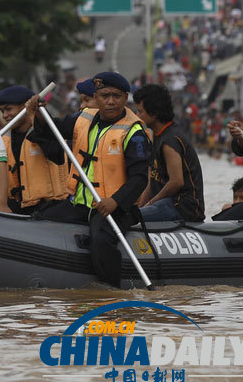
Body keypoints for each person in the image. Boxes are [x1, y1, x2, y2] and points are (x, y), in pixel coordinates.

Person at [26, 72, 151, 287]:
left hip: (116, 207)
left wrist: (115, 201)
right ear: (96, 97)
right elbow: (51, 129)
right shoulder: (82, 119)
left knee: (101, 239)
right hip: (81, 203)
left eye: (116, 96)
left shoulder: (134, 132)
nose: (111, 101)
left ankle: (110, 290)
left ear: (125, 97)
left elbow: (139, 179)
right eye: (104, 96)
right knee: (42, 218)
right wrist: (38, 113)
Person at [132, 84, 204, 222]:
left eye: (140, 112)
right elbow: (152, 179)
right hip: (164, 203)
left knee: (130, 219)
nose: (137, 116)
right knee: (130, 214)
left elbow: (176, 182)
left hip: (183, 207)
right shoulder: (156, 136)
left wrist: (150, 204)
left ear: (154, 113)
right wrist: (141, 205)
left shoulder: (170, 141)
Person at [0, 85, 68, 214]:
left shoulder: (47, 132)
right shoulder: (3, 139)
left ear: (26, 107)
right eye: (2, 111)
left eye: (9, 109)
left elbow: (56, 154)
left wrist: (38, 115)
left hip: (50, 206)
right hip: (18, 206)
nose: (5, 115)